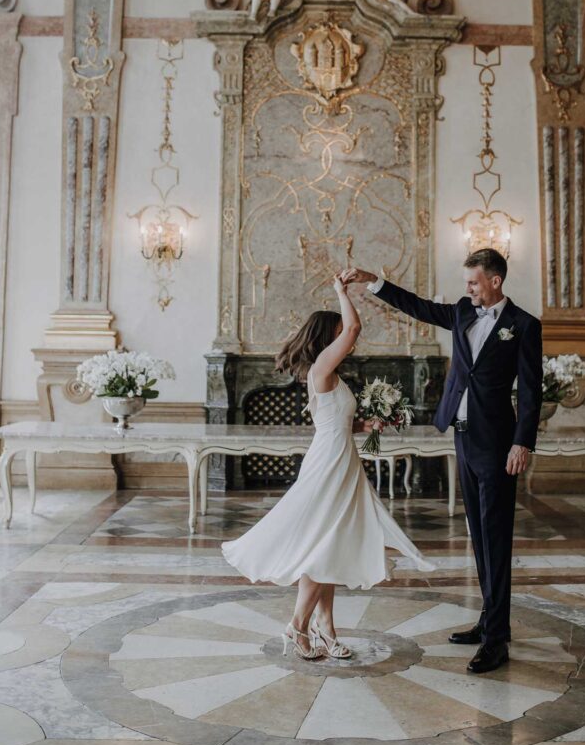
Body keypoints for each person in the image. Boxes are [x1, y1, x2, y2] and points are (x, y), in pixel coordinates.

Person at [340, 248, 543, 675]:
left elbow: (529, 391)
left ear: (495, 281)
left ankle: (497, 640)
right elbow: (417, 306)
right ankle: (489, 621)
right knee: (479, 535)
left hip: (497, 443)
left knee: (496, 539)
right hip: (464, 438)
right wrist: (373, 280)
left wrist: (521, 443)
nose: (467, 288)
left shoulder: (523, 326)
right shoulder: (462, 314)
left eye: (473, 281)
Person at [222, 275, 435, 661]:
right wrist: (342, 293)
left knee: (331, 545)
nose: (347, 336)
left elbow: (335, 421)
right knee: (323, 546)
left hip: (342, 456)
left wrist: (367, 424)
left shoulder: (329, 375)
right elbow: (354, 326)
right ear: (328, 336)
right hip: (330, 464)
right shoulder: (321, 366)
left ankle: (326, 629)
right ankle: (297, 627)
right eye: (338, 331)